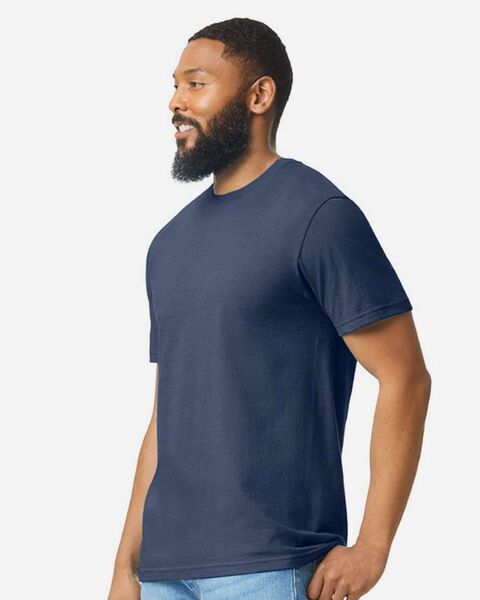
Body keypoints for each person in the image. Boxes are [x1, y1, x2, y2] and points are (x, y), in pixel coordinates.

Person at [108, 17, 431, 600]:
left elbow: (405, 377)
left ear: (259, 95)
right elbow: (167, 415)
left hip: (270, 564)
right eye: (175, 85)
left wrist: (373, 547)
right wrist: (124, 566)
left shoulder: (318, 215)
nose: (176, 102)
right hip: (163, 570)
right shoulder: (168, 244)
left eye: (196, 84)